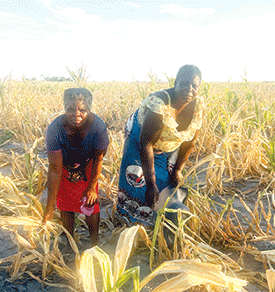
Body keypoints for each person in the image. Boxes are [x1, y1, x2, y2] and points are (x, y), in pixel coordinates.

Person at [116, 64, 204, 227]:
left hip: (168, 142)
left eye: (194, 85)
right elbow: (146, 144)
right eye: (184, 83)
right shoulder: (159, 104)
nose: (189, 89)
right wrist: (150, 185)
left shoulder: (198, 106)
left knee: (167, 180)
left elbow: (190, 142)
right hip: (140, 138)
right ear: (175, 82)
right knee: (137, 179)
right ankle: (131, 221)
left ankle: (162, 218)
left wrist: (177, 169)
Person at [43, 88, 109, 245]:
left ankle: (94, 242)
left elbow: (98, 158)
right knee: (64, 204)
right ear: (64, 106)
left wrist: (92, 187)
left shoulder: (98, 128)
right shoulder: (55, 130)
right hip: (63, 166)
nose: (76, 114)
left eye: (82, 110)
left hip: (89, 164)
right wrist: (50, 208)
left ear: (89, 109)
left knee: (90, 203)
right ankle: (69, 238)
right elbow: (54, 170)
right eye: (71, 109)